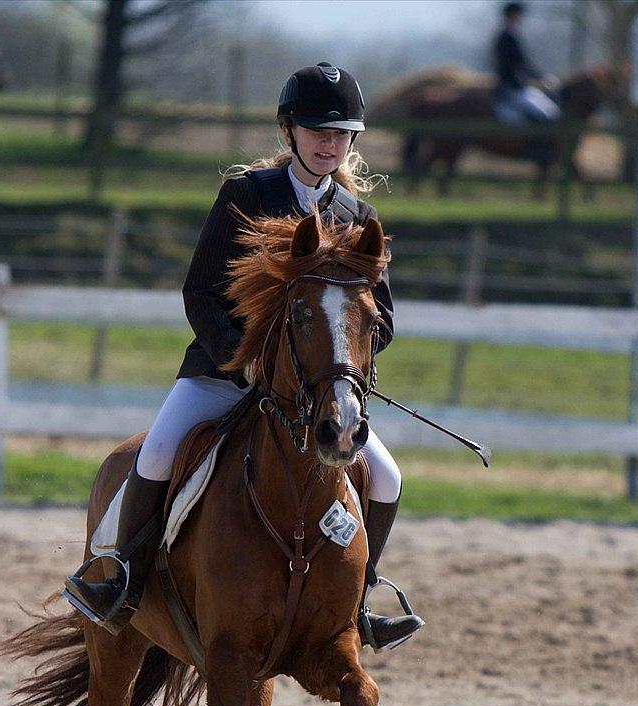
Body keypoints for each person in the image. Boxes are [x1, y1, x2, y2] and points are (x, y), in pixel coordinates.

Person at [64, 62, 424, 653]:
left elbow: (379, 319)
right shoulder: (246, 195)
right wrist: (244, 359)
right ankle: (121, 581)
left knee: (386, 475)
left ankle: (360, 600)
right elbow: (199, 292)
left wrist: (345, 370)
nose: (329, 143)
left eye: (341, 134)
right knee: (155, 454)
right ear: (289, 132)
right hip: (226, 372)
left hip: (314, 393)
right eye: (317, 131)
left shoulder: (358, 219)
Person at [493, 1, 560, 123]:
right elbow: (519, 64)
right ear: (512, 15)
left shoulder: (510, 35)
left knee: (549, 110)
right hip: (511, 88)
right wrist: (541, 77)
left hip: (519, 86)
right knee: (546, 113)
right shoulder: (507, 37)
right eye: (518, 15)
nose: (520, 18)